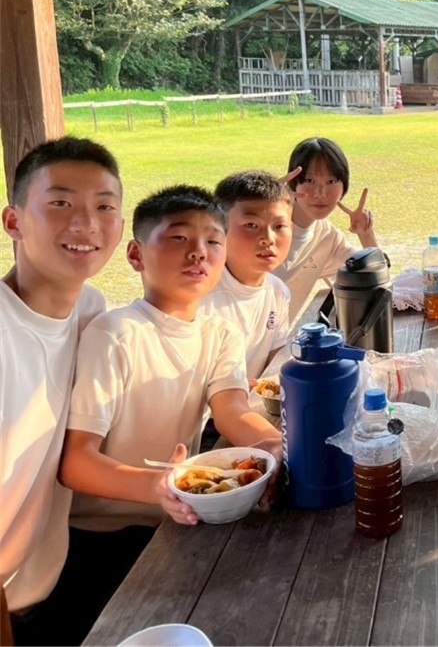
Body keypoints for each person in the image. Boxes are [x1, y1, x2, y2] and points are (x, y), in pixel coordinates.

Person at [56, 185, 282, 644]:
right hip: (100, 536)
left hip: (176, 522)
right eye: (179, 238)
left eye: (213, 241)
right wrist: (156, 486)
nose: (199, 252)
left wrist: (274, 446)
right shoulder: (115, 334)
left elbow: (232, 410)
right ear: (136, 255)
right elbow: (75, 462)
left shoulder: (220, 334)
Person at [0, 137, 124, 645]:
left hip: (47, 586)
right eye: (60, 203)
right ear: (13, 222)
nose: (86, 224)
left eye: (104, 207)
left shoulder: (90, 310)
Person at [201, 170, 294, 382]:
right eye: (251, 225)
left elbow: (274, 368)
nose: (268, 238)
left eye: (279, 226)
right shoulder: (200, 295)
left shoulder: (278, 292)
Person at [274, 137, 379, 319]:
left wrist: (366, 234)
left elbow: (375, 279)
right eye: (310, 180)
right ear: (292, 183)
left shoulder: (327, 237)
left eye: (331, 181)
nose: (320, 193)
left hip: (277, 337)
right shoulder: (261, 229)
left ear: (344, 186)